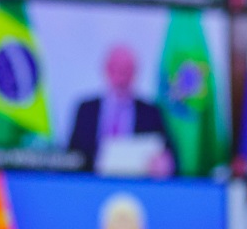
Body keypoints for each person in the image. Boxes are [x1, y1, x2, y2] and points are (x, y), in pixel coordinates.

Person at [66, 43, 176, 176]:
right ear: (106, 70)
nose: (121, 77)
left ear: (135, 74)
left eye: (127, 70)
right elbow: (72, 157)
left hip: (136, 186)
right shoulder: (86, 110)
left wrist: (164, 163)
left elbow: (171, 157)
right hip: (93, 184)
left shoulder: (151, 113)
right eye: (116, 69)